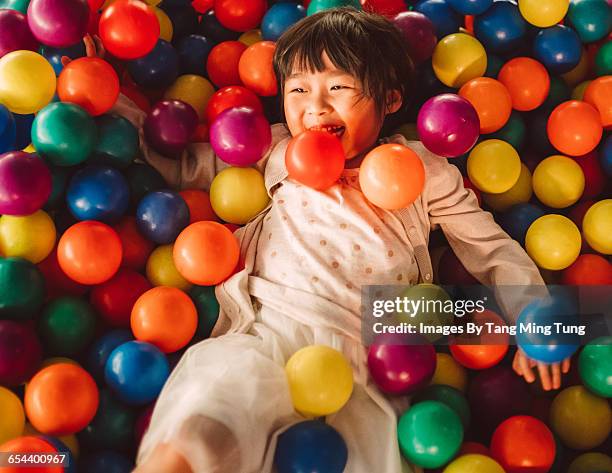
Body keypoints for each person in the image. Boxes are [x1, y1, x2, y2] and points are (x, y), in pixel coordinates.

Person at [105, 8, 570, 472]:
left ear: (389, 99)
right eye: (299, 89)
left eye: (338, 87)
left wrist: (534, 320)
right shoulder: (277, 150)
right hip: (269, 331)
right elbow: (182, 163)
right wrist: (107, 94)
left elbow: (487, 244)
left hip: (369, 358)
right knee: (204, 424)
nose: (316, 106)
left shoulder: (423, 168)